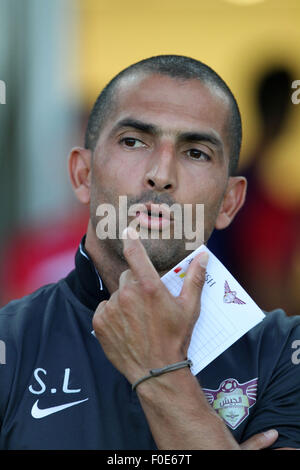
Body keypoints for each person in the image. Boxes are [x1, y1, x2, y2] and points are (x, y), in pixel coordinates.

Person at [0, 55, 299, 450]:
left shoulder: (284, 355)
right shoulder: (10, 343)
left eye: (195, 152)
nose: (161, 173)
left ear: (229, 202)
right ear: (83, 176)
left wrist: (160, 372)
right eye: (133, 141)